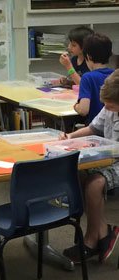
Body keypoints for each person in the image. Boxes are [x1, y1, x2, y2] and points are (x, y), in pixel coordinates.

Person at [60, 69, 119, 264]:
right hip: (109, 158)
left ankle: (91, 239)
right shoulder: (109, 106)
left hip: (116, 161)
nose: (107, 108)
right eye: (105, 105)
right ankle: (102, 231)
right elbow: (94, 128)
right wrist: (70, 137)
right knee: (77, 174)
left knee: (94, 184)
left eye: (111, 106)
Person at [73, 32, 114, 124]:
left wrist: (76, 106)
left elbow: (84, 110)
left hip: (96, 129)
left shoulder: (87, 77)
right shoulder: (115, 75)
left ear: (88, 56)